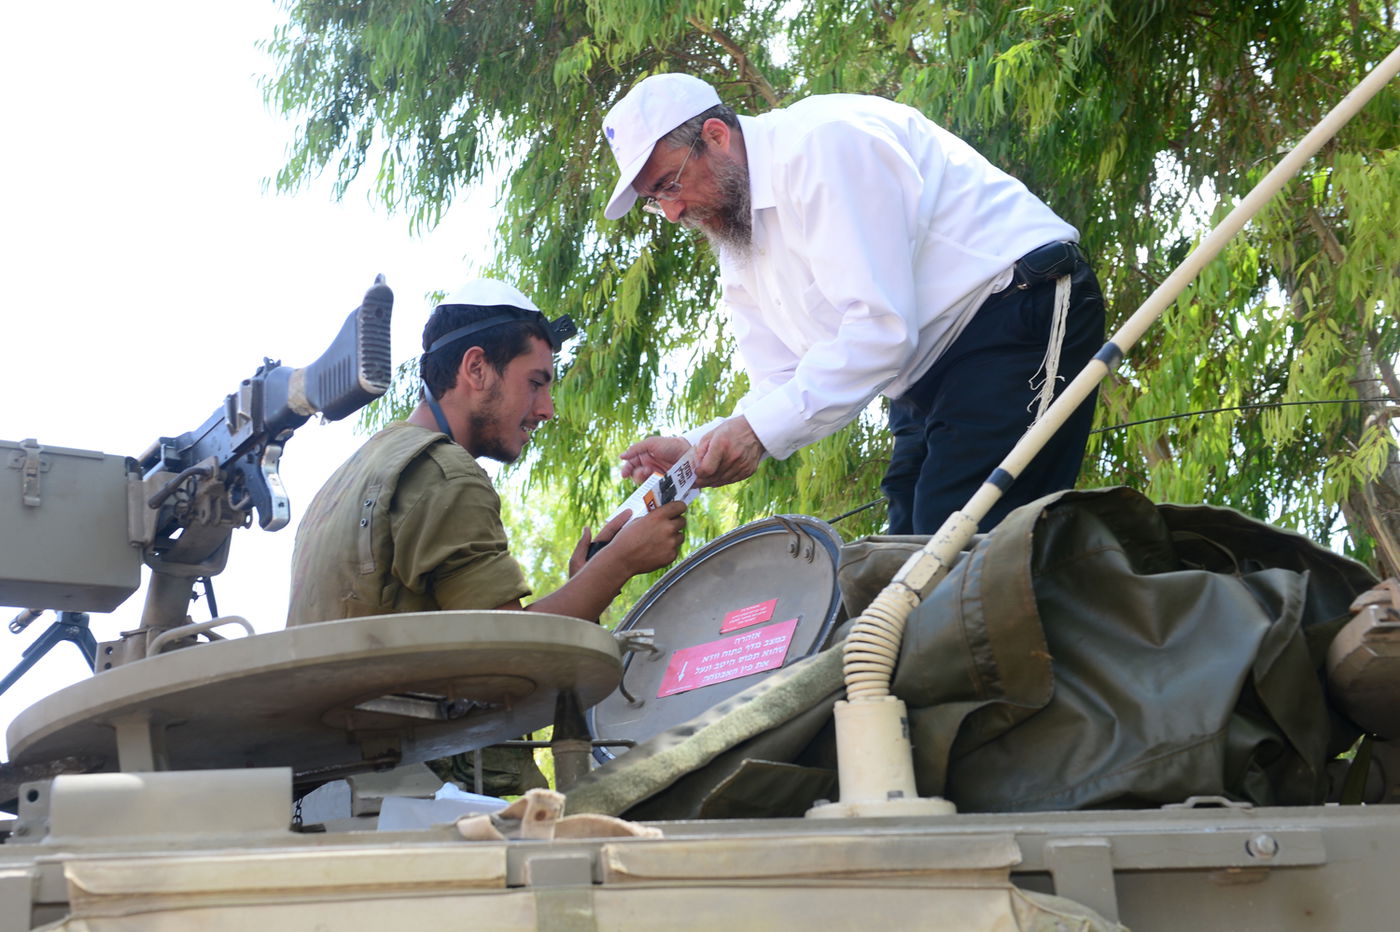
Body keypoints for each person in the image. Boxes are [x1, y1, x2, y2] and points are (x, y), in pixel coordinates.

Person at [601, 73, 1106, 533]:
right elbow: (780, 380)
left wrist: (757, 434)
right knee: (901, 560)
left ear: (716, 135)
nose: (671, 212)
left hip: (1015, 311)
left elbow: (879, 329)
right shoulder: (736, 233)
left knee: (954, 550)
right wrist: (698, 448)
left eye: (670, 184)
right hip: (920, 375)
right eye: (654, 199)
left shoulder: (821, 145)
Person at [286, 277, 687, 628]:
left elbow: (476, 642)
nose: (547, 409)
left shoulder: (357, 472)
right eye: (535, 382)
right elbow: (508, 656)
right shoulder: (443, 472)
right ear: (476, 368)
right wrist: (620, 563)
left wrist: (588, 578)